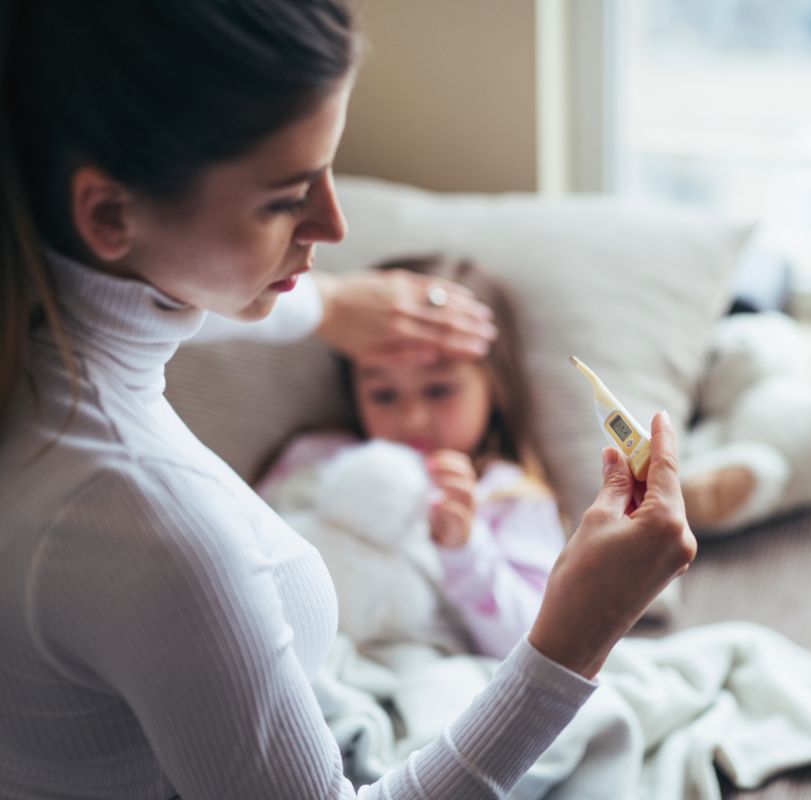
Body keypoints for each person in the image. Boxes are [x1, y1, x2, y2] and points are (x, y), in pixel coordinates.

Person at [0, 3, 696, 799]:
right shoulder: (158, 527)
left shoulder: (34, 346)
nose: (332, 224)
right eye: (284, 198)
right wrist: (572, 646)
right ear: (110, 213)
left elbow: (147, 315)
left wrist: (328, 308)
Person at [257, 255, 564, 660]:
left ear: (495, 386)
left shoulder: (507, 495)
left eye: (439, 390)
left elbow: (537, 644)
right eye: (383, 395)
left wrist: (465, 550)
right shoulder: (315, 457)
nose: (412, 419)